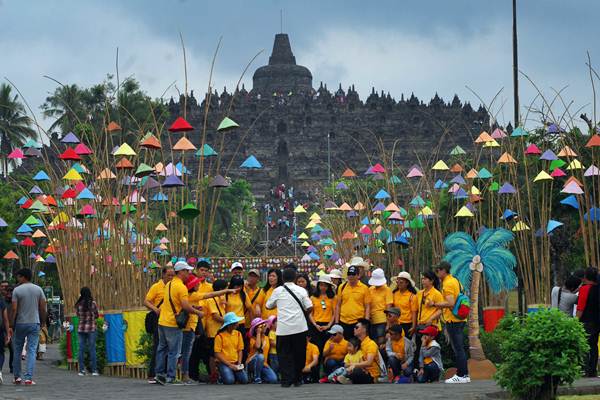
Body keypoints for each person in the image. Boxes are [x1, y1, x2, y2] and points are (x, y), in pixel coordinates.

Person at [155, 260, 204, 385]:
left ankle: (159, 374)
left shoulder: (169, 284)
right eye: (187, 271)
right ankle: (171, 376)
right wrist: (198, 313)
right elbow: (185, 306)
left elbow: (177, 303)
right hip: (172, 322)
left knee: (162, 349)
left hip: (162, 321)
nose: (188, 273)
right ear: (181, 272)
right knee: (174, 351)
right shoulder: (181, 287)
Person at [265, 266, 313, 388]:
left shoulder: (278, 291)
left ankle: (286, 380)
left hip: (283, 329)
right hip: (300, 327)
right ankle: (297, 378)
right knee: (299, 353)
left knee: (284, 355)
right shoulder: (302, 290)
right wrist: (302, 315)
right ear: (295, 277)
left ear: (282, 278)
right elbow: (310, 307)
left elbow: (268, 306)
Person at [434, 261, 470, 384]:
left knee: (458, 348)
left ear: (444, 270)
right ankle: (464, 374)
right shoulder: (455, 280)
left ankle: (462, 374)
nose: (437, 273)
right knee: (459, 348)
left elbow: (450, 303)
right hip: (460, 318)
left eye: (438, 270)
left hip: (453, 319)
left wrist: (435, 304)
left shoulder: (447, 284)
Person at [11, 268, 46, 385]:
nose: (17, 278)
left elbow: (15, 309)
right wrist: (43, 321)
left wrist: (11, 324)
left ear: (23, 277)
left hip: (20, 323)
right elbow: (42, 308)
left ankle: (17, 377)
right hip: (34, 323)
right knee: (31, 350)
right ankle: (28, 378)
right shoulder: (38, 289)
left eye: (18, 276)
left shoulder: (17, 290)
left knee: (17, 350)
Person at [142, 266, 174, 384]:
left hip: (169, 319)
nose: (171, 277)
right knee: (158, 346)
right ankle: (153, 373)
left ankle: (163, 373)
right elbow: (146, 301)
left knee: (168, 347)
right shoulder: (156, 286)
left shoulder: (174, 287)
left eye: (172, 275)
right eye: (168, 275)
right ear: (163, 275)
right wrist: (155, 309)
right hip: (158, 319)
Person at [337, 318, 380, 384]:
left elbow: (369, 362)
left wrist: (353, 365)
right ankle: (348, 379)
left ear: (364, 329)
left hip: (371, 375)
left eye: (356, 327)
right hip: (362, 370)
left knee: (356, 370)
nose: (354, 329)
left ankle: (349, 380)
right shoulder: (359, 343)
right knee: (340, 367)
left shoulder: (371, 344)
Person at [414, 270, 443, 363]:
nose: (423, 280)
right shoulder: (419, 293)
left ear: (432, 281)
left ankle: (434, 371)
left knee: (431, 351)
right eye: (422, 278)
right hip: (421, 326)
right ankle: (421, 372)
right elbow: (416, 310)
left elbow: (440, 309)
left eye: (425, 279)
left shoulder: (437, 293)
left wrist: (431, 318)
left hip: (432, 327)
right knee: (420, 349)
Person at [335, 265, 371, 339]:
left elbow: (367, 306)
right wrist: (336, 322)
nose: (351, 276)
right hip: (343, 321)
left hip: (357, 322)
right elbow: (338, 305)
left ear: (358, 275)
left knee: (357, 345)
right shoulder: (342, 287)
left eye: (353, 274)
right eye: (349, 274)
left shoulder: (364, 288)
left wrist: (366, 322)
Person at [577, 267, 600, 377]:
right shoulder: (598, 288)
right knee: (594, 346)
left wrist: (575, 321)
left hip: (587, 321)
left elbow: (580, 308)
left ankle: (587, 370)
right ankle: (593, 370)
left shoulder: (585, 289)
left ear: (586, 276)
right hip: (597, 321)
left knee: (585, 346)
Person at [214, 312, 248, 384]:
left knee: (244, 380)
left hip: (235, 362)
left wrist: (239, 363)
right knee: (229, 381)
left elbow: (240, 350)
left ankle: (232, 374)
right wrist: (230, 365)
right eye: (235, 323)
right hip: (224, 363)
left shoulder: (238, 334)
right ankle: (221, 376)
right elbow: (217, 354)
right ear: (230, 325)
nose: (237, 324)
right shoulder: (220, 336)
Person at [74, 287, 99, 376]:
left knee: (81, 349)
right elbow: (97, 315)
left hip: (81, 328)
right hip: (91, 328)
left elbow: (77, 315)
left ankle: (81, 370)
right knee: (92, 349)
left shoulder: (78, 304)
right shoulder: (93, 304)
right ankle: (94, 370)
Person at [310, 274, 337, 356]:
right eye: (321, 285)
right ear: (318, 286)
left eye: (325, 285)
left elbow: (334, 313)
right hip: (316, 325)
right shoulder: (313, 298)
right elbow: (310, 313)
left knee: (327, 348)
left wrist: (328, 325)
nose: (323, 287)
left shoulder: (333, 298)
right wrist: (315, 325)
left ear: (329, 286)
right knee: (316, 348)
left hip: (328, 325)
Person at [246, 318, 278, 384]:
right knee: (260, 356)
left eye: (264, 325)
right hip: (252, 362)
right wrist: (258, 333)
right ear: (256, 329)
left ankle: (258, 375)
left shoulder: (266, 338)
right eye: (262, 325)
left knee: (273, 379)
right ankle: (256, 378)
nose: (265, 326)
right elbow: (257, 346)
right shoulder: (253, 339)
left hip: (263, 364)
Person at [368, 268, 393, 346]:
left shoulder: (387, 290)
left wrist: (388, 324)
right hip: (371, 319)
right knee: (373, 341)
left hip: (382, 320)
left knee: (381, 341)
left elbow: (389, 307)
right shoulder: (370, 289)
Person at [392, 271, 418, 338]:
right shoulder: (394, 294)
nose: (399, 284)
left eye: (401, 282)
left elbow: (414, 312)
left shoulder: (412, 296)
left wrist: (414, 326)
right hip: (395, 323)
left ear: (407, 283)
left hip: (406, 324)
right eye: (398, 282)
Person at [0, 286, 12, 384]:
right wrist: (8, 333)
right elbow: (5, 318)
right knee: (0, 352)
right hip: (0, 330)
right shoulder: (1, 301)